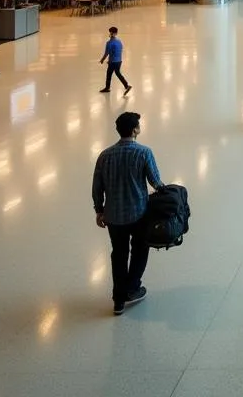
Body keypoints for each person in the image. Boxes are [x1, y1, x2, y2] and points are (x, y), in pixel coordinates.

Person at [92, 111, 162, 315]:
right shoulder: (143, 152)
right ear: (135, 130)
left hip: (114, 217)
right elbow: (156, 182)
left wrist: (99, 210)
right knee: (140, 249)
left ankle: (118, 300)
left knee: (119, 254)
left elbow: (97, 187)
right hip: (139, 213)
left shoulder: (104, 156)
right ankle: (132, 287)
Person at [99, 26, 132, 95]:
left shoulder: (109, 43)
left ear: (110, 33)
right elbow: (119, 50)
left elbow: (106, 53)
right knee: (117, 73)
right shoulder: (119, 41)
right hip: (119, 61)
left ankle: (125, 86)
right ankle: (126, 85)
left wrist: (102, 60)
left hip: (113, 62)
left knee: (109, 74)